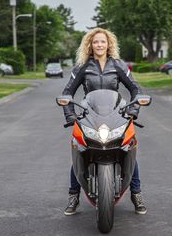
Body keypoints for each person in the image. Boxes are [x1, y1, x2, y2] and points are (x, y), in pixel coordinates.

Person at [61, 27, 147, 216]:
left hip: (116, 114)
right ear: (90, 45)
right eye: (96, 42)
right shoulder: (82, 67)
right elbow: (67, 93)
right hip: (89, 115)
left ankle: (136, 194)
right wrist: (71, 115)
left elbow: (136, 89)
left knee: (128, 148)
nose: (99, 45)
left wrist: (133, 111)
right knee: (80, 149)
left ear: (109, 44)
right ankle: (73, 196)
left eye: (102, 41)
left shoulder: (118, 65)